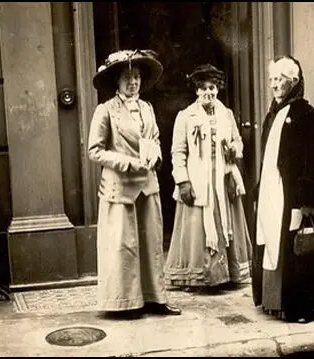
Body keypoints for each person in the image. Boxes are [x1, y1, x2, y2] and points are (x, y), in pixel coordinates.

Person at [88, 49, 181, 318]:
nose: (133, 83)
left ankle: (155, 298)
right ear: (117, 81)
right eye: (128, 77)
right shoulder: (105, 111)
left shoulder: (147, 108)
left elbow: (154, 140)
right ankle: (125, 302)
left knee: (151, 243)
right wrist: (126, 162)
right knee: (123, 246)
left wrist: (156, 156)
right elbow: (95, 150)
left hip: (147, 185)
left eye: (137, 77)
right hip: (120, 188)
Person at [251, 56, 314, 323]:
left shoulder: (309, 115)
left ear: (294, 82)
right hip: (273, 193)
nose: (274, 85)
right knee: (274, 243)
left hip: (296, 196)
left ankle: (302, 308)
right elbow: (268, 158)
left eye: (280, 80)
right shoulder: (272, 113)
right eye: (272, 79)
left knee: (296, 247)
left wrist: (305, 199)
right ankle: (274, 302)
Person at [164, 64, 252, 291]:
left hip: (223, 178)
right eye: (203, 89)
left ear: (218, 89)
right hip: (198, 179)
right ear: (196, 91)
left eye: (212, 88)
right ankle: (198, 277)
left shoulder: (226, 114)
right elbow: (178, 152)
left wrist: (234, 149)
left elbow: (238, 142)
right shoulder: (185, 117)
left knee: (227, 224)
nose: (208, 93)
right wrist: (183, 181)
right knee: (197, 229)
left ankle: (228, 275)